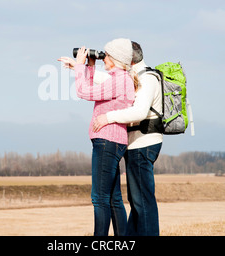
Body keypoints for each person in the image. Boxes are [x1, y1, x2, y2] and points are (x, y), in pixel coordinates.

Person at [57, 39, 138, 236]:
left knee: (99, 198)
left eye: (106, 55)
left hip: (106, 141)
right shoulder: (120, 79)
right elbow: (94, 88)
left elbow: (83, 91)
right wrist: (89, 67)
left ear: (116, 59)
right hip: (114, 141)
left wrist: (78, 66)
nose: (103, 57)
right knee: (113, 199)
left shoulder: (119, 80)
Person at [92, 41, 163, 236]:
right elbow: (109, 81)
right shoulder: (135, 76)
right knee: (137, 200)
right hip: (136, 144)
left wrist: (108, 117)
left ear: (128, 59)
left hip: (143, 143)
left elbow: (139, 112)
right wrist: (81, 68)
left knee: (143, 201)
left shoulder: (147, 78)